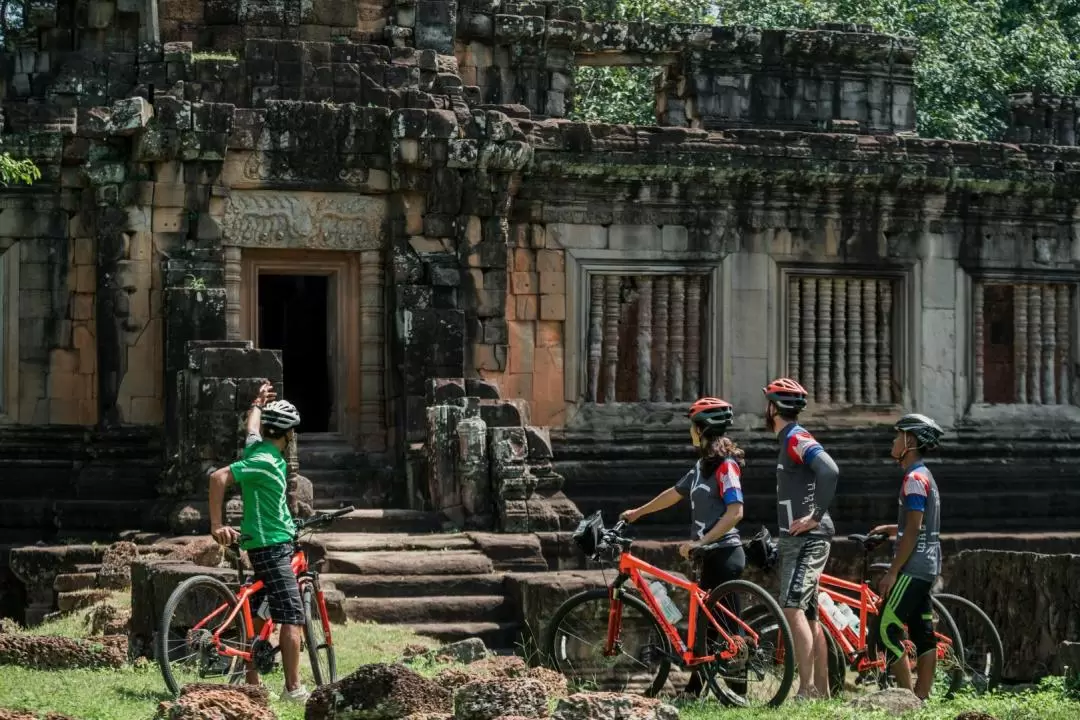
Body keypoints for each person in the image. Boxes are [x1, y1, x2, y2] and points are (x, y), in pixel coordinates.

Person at [621, 397, 746, 697]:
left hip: (725, 554)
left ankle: (739, 693)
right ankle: (695, 687)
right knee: (703, 627)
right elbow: (673, 494)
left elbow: (736, 511)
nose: (690, 432)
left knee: (729, 630)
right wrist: (638, 512)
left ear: (702, 430)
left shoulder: (726, 467)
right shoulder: (701, 466)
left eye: (693, 427)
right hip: (708, 556)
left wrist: (701, 541)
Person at [208, 381, 309, 703]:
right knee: (292, 615)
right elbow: (218, 477)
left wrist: (257, 403)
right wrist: (216, 525)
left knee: (261, 612)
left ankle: (251, 683)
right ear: (289, 435)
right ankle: (294, 689)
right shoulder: (264, 461)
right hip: (271, 547)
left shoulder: (258, 448)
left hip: (271, 541)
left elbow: (252, 428)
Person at [762, 377, 839, 700]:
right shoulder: (788, 440)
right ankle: (820, 690)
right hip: (799, 539)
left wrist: (815, 516)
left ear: (774, 408)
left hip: (809, 538)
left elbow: (829, 470)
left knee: (792, 608)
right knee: (808, 614)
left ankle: (806, 689)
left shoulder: (796, 437)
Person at [869, 413, 944, 701]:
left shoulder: (913, 479)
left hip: (912, 568)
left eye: (896, 435)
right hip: (928, 566)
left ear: (909, 441)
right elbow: (921, 524)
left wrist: (892, 571)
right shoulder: (926, 476)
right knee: (924, 633)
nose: (893, 440)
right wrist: (893, 529)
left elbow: (914, 530)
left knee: (886, 630)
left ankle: (906, 699)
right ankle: (923, 698)